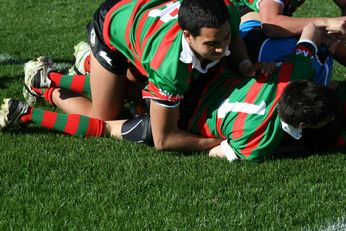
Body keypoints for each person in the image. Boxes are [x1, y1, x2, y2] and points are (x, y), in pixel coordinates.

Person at [0, 23, 340, 162]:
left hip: (197, 81)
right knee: (107, 124)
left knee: (128, 89)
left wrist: (329, 26)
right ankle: (34, 103)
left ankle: (50, 78)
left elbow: (310, 30)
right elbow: (217, 152)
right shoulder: (258, 142)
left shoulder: (297, 71)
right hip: (183, 118)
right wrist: (216, 142)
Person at [22, 0, 278, 152]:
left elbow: (233, 35)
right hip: (111, 23)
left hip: (142, 20)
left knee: (131, 90)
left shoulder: (222, 10)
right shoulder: (170, 65)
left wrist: (245, 64)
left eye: (225, 38)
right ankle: (43, 84)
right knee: (104, 119)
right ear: (187, 36)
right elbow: (163, 139)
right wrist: (219, 143)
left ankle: (82, 67)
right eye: (212, 45)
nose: (223, 49)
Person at [230, 0, 346, 87]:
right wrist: (326, 22)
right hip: (249, 33)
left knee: (326, 45)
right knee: (317, 58)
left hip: (272, 32)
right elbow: (271, 24)